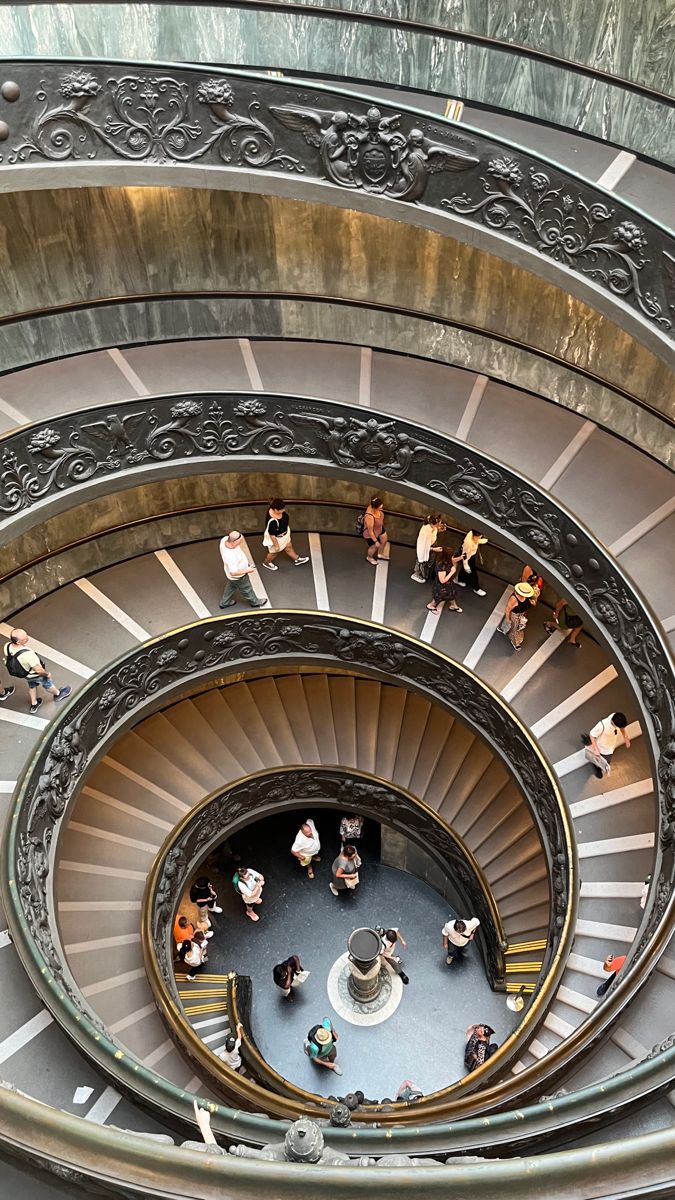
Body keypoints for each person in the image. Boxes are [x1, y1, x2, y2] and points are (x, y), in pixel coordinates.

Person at [4, 629, 72, 716]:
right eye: (25, 638)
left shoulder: (7, 646)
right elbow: (39, 670)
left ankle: (34, 703)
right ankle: (58, 694)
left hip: (25, 674)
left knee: (32, 686)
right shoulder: (28, 655)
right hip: (35, 675)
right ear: (18, 642)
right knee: (47, 684)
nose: (27, 638)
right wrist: (47, 674)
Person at [218, 531, 265, 609]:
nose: (241, 543)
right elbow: (233, 572)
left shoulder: (224, 540)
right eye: (240, 542)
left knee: (231, 586)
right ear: (234, 541)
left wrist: (246, 563)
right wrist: (248, 570)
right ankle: (255, 602)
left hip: (232, 577)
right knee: (247, 589)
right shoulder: (230, 556)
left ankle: (224, 603)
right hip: (239, 576)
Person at [262, 499, 309, 571]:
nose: (283, 510)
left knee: (288, 546)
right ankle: (267, 562)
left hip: (285, 535)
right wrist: (276, 545)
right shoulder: (273, 522)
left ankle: (296, 559)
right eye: (281, 509)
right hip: (278, 538)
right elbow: (272, 535)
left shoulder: (276, 510)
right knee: (274, 552)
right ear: (275, 510)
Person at [581, 712, 631, 779]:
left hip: (609, 747)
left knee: (606, 761)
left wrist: (625, 737)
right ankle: (597, 767)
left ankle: (598, 766)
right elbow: (592, 735)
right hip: (601, 747)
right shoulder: (602, 725)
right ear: (614, 723)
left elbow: (622, 728)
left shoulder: (615, 716)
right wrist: (596, 749)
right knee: (603, 761)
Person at [497, 581, 535, 651]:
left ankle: (502, 628)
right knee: (515, 629)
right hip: (515, 616)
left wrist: (531, 603)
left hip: (521, 614)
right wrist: (508, 619)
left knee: (511, 625)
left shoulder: (526, 597)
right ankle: (515, 643)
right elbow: (508, 609)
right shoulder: (514, 599)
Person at [426, 547, 463, 614]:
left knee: (451, 593)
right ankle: (431, 605)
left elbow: (453, 560)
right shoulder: (441, 566)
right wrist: (452, 572)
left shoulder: (446, 561)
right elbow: (442, 581)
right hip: (441, 585)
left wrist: (461, 557)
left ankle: (454, 605)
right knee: (440, 596)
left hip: (448, 583)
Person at [411, 514, 445, 583]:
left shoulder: (432, 526)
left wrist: (439, 529)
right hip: (424, 548)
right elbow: (424, 546)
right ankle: (416, 574)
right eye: (438, 524)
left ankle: (425, 573)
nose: (439, 525)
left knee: (429, 561)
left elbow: (434, 531)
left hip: (431, 545)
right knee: (421, 562)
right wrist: (434, 549)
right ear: (433, 523)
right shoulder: (426, 531)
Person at [455, 531, 488, 596]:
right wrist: (466, 566)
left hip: (471, 555)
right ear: (474, 536)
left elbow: (477, 541)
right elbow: (465, 556)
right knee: (472, 573)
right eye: (479, 537)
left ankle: (459, 579)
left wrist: (481, 541)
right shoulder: (468, 543)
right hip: (467, 556)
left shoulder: (472, 534)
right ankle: (476, 588)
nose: (480, 537)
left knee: (467, 570)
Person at [363, 497, 388, 565]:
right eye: (380, 508)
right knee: (374, 546)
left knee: (384, 540)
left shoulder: (374, 506)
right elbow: (370, 531)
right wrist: (376, 541)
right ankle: (369, 557)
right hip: (370, 534)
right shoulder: (369, 517)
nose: (382, 509)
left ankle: (380, 554)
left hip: (379, 528)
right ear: (374, 508)